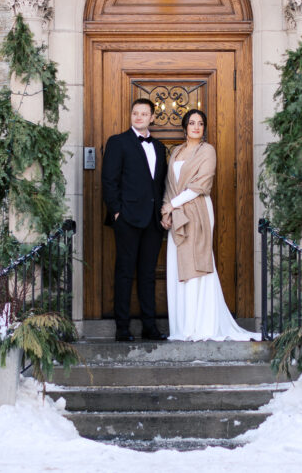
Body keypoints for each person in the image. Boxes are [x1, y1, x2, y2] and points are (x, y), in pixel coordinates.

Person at [161, 109, 260, 341]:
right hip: (176, 214)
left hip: (198, 212)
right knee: (178, 266)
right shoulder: (176, 151)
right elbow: (169, 184)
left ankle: (201, 325)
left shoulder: (208, 151)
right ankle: (182, 327)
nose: (196, 127)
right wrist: (166, 211)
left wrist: (171, 205)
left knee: (197, 264)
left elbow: (201, 184)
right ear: (185, 127)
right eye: (192, 123)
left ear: (204, 128)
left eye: (201, 123)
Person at [101, 98, 169, 342]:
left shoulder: (160, 147)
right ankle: (122, 328)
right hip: (127, 218)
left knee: (148, 274)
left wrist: (163, 212)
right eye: (135, 113)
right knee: (125, 272)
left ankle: (150, 327)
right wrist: (117, 212)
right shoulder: (118, 142)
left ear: (152, 118)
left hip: (152, 221)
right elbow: (109, 180)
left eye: (144, 114)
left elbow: (161, 184)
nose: (139, 117)